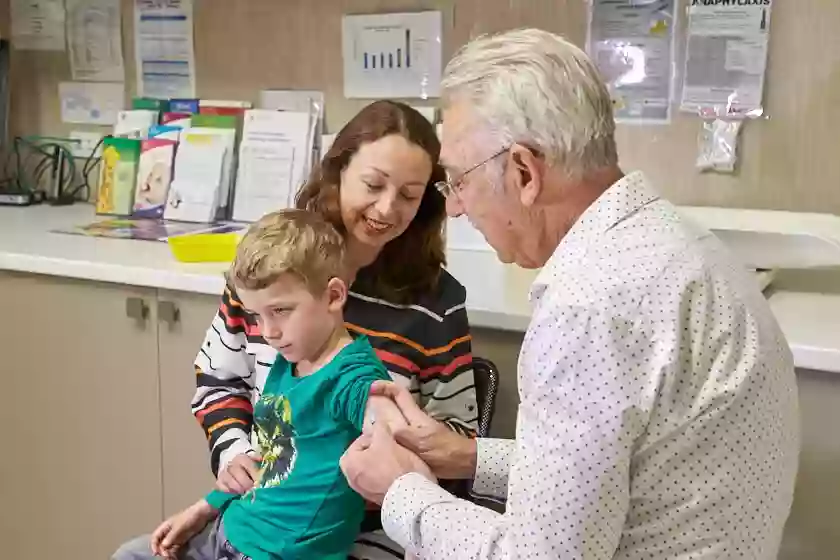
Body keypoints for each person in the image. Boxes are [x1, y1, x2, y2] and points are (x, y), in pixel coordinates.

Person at [340, 28, 800, 559]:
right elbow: (618, 470)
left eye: (457, 181)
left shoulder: (588, 309)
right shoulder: (681, 244)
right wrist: (468, 457)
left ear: (524, 172)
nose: (458, 208)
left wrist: (401, 492)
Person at [191, 100, 478, 559]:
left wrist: (389, 455)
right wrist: (235, 461)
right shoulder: (273, 267)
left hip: (378, 524)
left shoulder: (436, 303)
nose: (387, 208)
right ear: (339, 171)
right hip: (266, 508)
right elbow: (218, 380)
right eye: (373, 184)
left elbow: (461, 435)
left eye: (409, 194)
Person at [113, 210, 426, 560]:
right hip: (230, 530)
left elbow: (400, 437)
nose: (267, 331)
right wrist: (205, 507)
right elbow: (270, 460)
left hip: (277, 553)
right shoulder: (289, 360)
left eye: (280, 310)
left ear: (334, 296)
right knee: (130, 554)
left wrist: (419, 543)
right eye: (257, 316)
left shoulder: (353, 376)